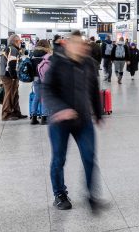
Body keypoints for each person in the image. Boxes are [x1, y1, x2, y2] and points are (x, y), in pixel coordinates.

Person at [43, 31, 107, 212]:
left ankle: (92, 196)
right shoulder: (56, 63)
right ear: (68, 45)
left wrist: (99, 114)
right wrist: (60, 109)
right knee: (59, 158)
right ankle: (59, 194)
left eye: (83, 44)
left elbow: (94, 90)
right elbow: (46, 90)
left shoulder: (89, 64)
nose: (82, 47)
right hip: (59, 121)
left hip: (83, 119)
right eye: (77, 44)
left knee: (89, 157)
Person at [0, 34, 26, 121]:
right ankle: (6, 114)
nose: (20, 43)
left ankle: (16, 112)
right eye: (19, 41)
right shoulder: (13, 49)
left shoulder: (13, 49)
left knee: (14, 94)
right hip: (8, 76)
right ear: (15, 41)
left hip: (9, 75)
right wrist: (14, 76)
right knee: (9, 94)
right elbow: (11, 64)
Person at [29, 40, 52, 125]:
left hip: (35, 77)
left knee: (37, 96)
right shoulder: (48, 55)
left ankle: (33, 118)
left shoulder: (32, 54)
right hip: (45, 78)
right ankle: (44, 118)